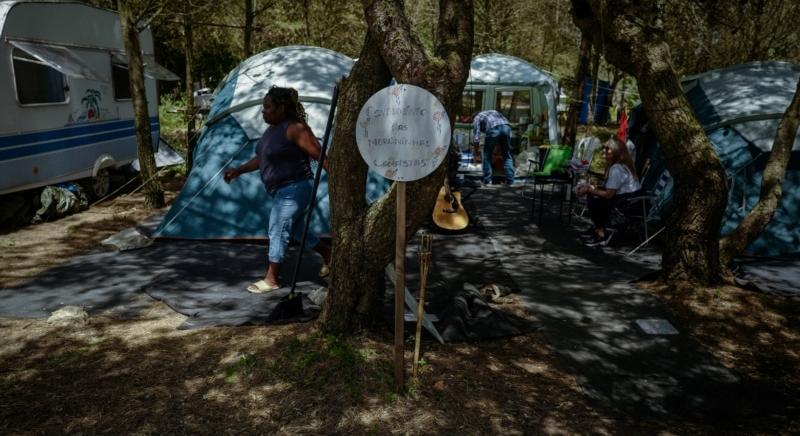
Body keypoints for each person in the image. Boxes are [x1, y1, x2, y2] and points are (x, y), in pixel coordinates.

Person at [224, 86, 331, 293]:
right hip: (281, 189)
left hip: (296, 187)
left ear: (281, 108)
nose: (263, 111)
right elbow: (261, 158)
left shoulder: (295, 129)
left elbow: (320, 155)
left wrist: (338, 182)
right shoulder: (271, 130)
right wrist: (238, 171)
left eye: (267, 107)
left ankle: (272, 279)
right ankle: (328, 254)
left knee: (277, 228)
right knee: (297, 229)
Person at [576, 137, 642, 247]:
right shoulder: (618, 165)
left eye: (607, 148)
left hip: (630, 204)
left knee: (595, 199)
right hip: (632, 201)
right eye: (603, 147)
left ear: (616, 152)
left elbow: (609, 194)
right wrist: (591, 187)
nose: (603, 150)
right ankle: (597, 228)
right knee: (594, 195)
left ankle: (600, 233)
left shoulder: (617, 168)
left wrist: (589, 190)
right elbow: (610, 189)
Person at [471, 110, 514, 185]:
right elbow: (501, 128)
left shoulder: (477, 118)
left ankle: (487, 180)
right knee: (507, 155)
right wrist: (497, 149)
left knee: (487, 155)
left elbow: (476, 137)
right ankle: (510, 181)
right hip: (507, 128)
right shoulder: (493, 112)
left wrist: (476, 153)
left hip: (494, 129)